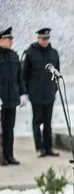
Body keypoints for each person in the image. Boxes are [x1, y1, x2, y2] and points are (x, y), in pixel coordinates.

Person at [22, 28, 60, 157]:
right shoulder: (30, 53)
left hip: (49, 93)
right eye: (43, 38)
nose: (45, 41)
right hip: (36, 93)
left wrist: (54, 89)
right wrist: (25, 92)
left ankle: (48, 147)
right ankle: (39, 148)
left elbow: (57, 72)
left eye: (47, 38)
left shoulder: (54, 53)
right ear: (38, 38)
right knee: (37, 121)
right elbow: (25, 74)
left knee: (48, 122)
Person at [0, 27, 28, 166]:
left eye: (11, 39)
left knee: (9, 129)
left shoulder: (14, 56)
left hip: (11, 99)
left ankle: (9, 155)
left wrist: (23, 93)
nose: (11, 41)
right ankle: (1, 157)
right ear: (1, 40)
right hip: (1, 99)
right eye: (8, 39)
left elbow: (20, 77)